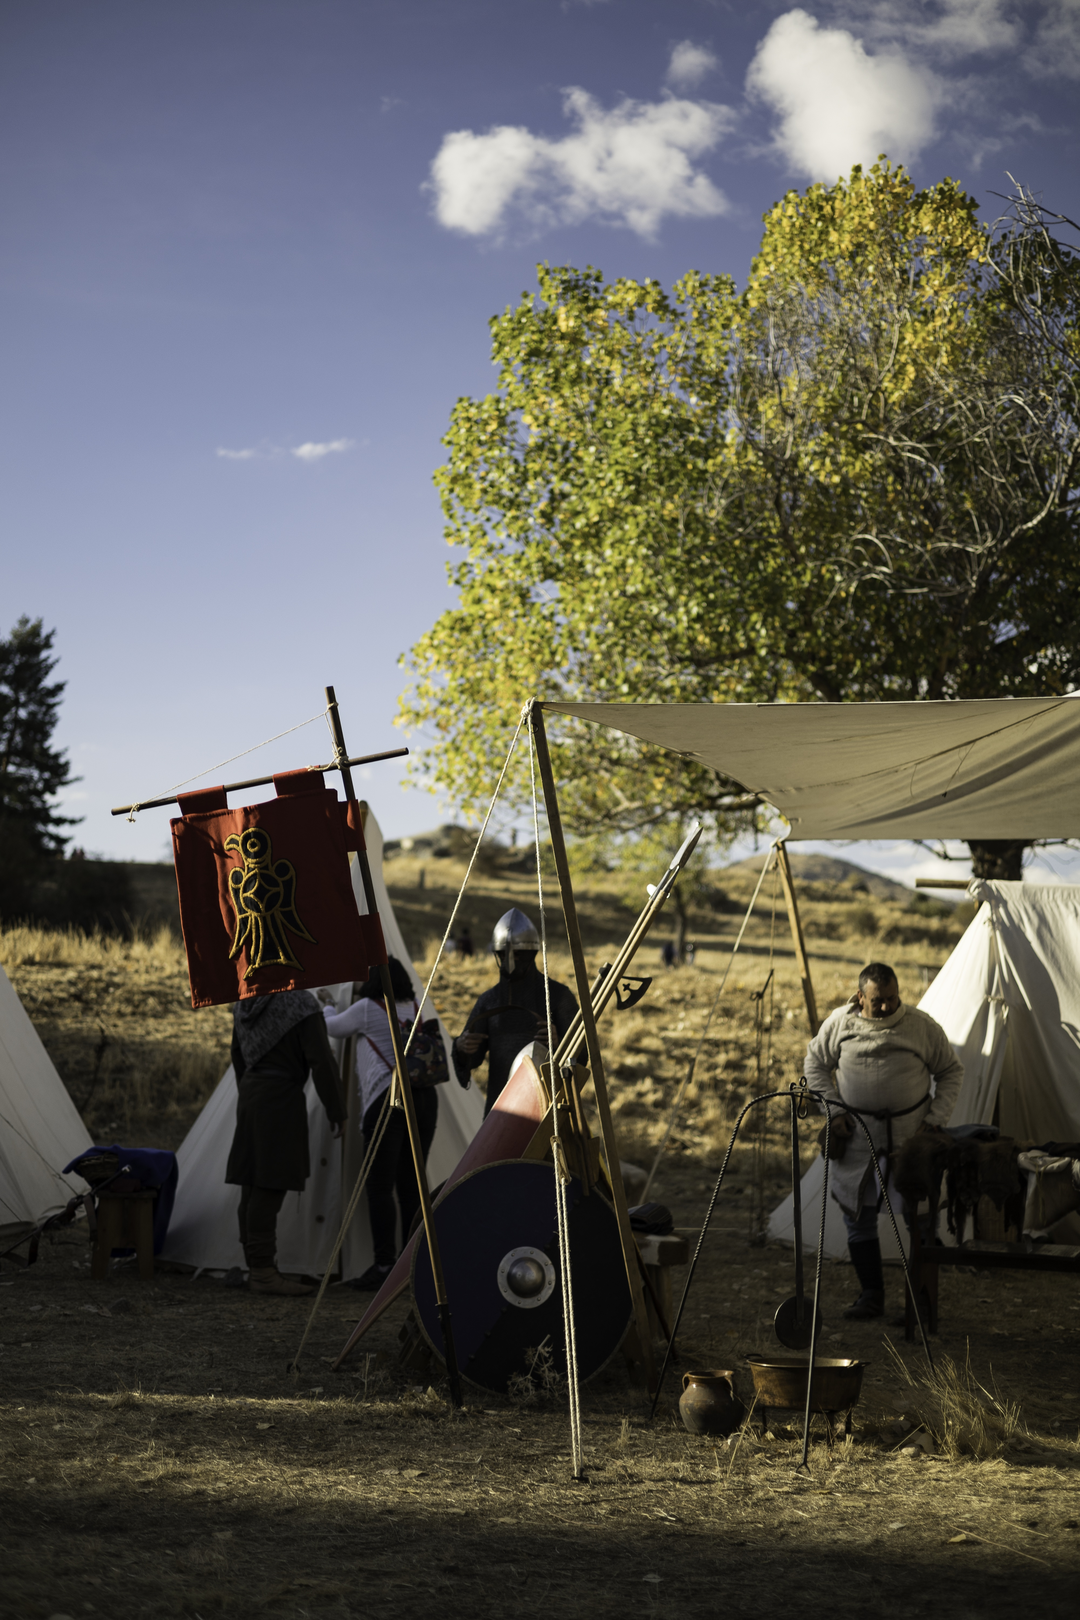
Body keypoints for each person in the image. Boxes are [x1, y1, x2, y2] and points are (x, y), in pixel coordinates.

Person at [803, 961, 964, 1321]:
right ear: (860, 997)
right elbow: (814, 1064)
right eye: (879, 1001)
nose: (888, 1006)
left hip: (910, 1139)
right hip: (857, 1138)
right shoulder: (840, 1024)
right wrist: (834, 1111)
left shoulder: (921, 1026)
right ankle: (871, 1295)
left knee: (920, 1219)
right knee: (857, 1218)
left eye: (893, 998)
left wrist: (936, 1120)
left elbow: (951, 1070)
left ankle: (921, 1302)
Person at [323, 957, 439, 1291]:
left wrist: (329, 1004)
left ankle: (384, 1265)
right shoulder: (414, 1006)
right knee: (410, 1186)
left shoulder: (368, 1009)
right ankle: (412, 1264)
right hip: (425, 1100)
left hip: (388, 1102)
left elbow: (332, 1028)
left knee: (379, 1186)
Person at [226, 988, 345, 1298]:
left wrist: (250, 1091)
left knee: (252, 1182)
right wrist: (337, 1109)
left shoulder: (246, 1001)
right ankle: (264, 1273)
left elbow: (237, 1053)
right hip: (279, 1097)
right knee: (269, 1182)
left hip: (252, 1092)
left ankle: (257, 1266)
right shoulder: (300, 1003)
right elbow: (320, 1059)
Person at [453, 907, 578, 1116]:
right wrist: (461, 1046)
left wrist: (560, 1044)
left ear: (532, 953)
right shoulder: (489, 1001)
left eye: (518, 954)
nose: (510, 961)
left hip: (548, 1107)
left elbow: (580, 1057)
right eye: (504, 954)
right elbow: (471, 1059)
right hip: (501, 1105)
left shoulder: (557, 996)